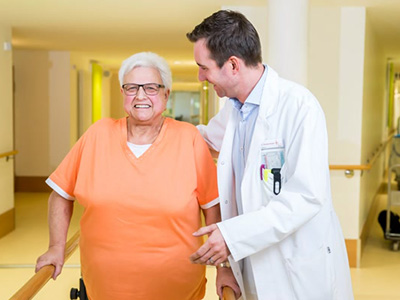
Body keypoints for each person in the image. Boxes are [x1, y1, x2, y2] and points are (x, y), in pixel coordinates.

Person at [186, 10, 354, 300]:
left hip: (298, 270)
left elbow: (306, 196)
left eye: (204, 68)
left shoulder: (299, 107)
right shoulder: (233, 111)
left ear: (233, 65)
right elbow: (197, 140)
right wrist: (152, 123)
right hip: (254, 264)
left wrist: (232, 235)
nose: (201, 77)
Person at [35, 52, 220, 300]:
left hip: (177, 290)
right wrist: (56, 247)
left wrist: (223, 269)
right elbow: (60, 193)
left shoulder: (189, 139)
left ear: (166, 95)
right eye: (132, 87)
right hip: (104, 289)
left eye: (151, 88)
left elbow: (214, 210)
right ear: (123, 94)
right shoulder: (98, 135)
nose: (141, 96)